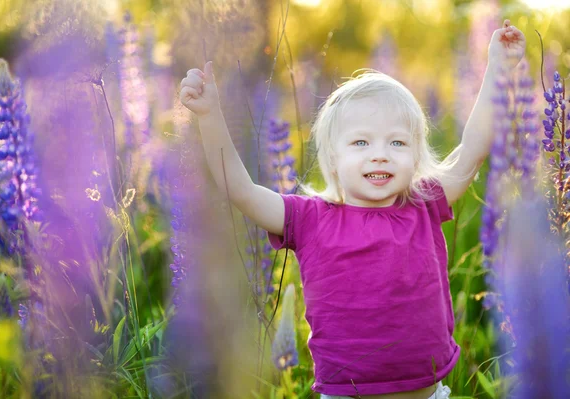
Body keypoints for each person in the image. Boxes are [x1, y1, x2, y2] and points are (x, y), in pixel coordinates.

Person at [179, 19, 525, 399]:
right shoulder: (310, 218)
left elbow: (472, 150)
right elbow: (241, 190)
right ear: (332, 156)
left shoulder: (422, 204)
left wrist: (497, 69)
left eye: (397, 142)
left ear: (416, 156)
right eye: (361, 142)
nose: (379, 153)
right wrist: (210, 117)